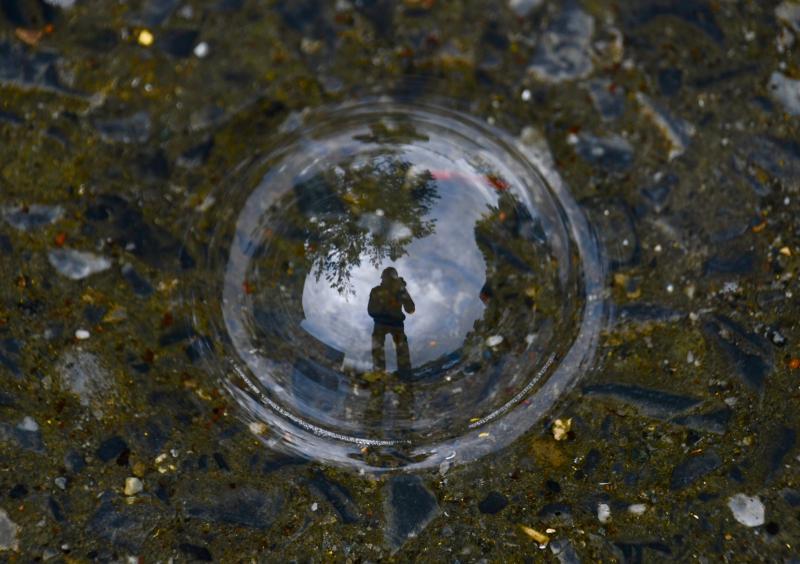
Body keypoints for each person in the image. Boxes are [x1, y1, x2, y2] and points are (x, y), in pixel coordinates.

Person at [368, 267, 415, 374]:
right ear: (383, 278)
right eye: (386, 277)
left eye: (390, 278)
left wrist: (403, 291)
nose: (387, 280)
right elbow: (371, 311)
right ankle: (379, 373)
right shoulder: (376, 291)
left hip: (396, 323)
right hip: (380, 322)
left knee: (402, 347)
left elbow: (410, 309)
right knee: (377, 345)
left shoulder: (399, 290)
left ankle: (405, 374)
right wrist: (384, 305)